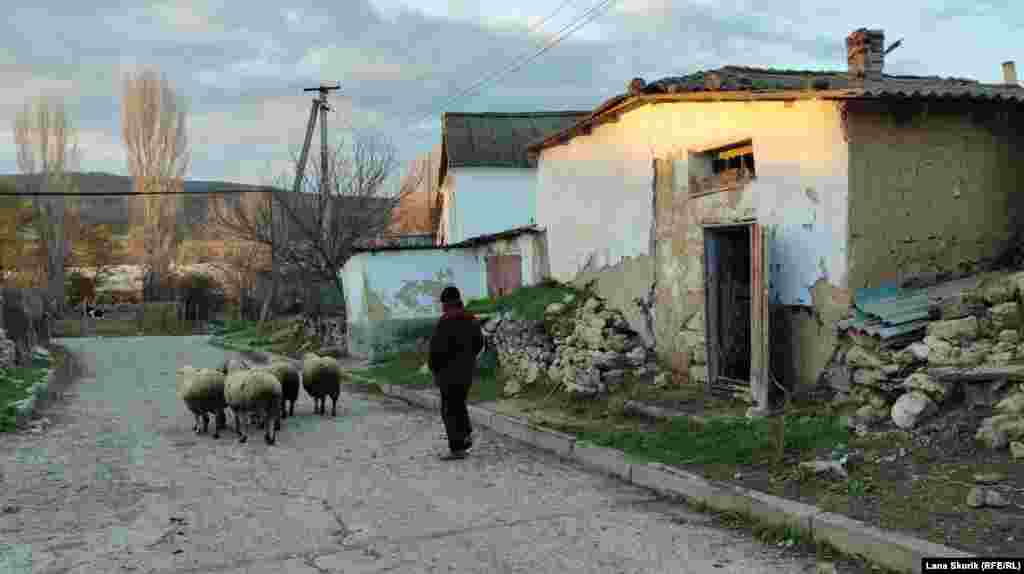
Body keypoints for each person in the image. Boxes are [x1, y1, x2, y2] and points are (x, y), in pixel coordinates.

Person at [428, 285, 485, 460]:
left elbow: (436, 350)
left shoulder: (445, 321)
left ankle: (457, 448)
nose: (442, 306)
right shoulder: (471, 318)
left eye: (443, 303)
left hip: (447, 374)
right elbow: (479, 343)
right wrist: (468, 360)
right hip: (466, 372)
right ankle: (466, 435)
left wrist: (434, 368)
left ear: (446, 302)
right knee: (459, 404)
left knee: (449, 410)